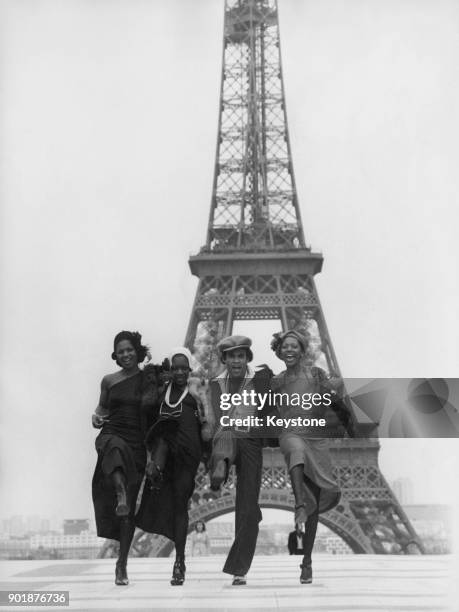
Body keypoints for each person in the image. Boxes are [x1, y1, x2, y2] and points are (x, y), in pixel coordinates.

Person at [271, 330, 341, 584]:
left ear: (301, 350)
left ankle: (307, 561)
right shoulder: (276, 381)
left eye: (294, 346)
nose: (289, 350)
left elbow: (330, 402)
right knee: (294, 447)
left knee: (314, 507)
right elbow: (273, 411)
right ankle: (299, 503)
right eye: (285, 346)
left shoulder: (316, 375)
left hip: (315, 439)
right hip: (291, 433)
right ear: (279, 351)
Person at [136, 347, 208, 586]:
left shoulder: (197, 391)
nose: (179, 371)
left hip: (187, 453)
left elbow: (209, 419)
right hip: (165, 449)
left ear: (189, 369)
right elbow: (145, 412)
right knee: (159, 454)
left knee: (181, 505)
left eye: (183, 368)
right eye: (175, 367)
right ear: (170, 369)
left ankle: (179, 560)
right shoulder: (161, 392)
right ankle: (154, 474)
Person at [209, 335, 272, 586]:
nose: (236, 360)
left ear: (247, 358)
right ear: (224, 359)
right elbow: (214, 416)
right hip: (227, 435)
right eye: (231, 356)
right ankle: (221, 463)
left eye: (241, 355)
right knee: (224, 434)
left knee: (248, 507)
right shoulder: (215, 383)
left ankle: (239, 569)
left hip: (250, 440)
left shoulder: (260, 378)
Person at [91, 330, 152, 586]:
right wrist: (95, 418)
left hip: (137, 441)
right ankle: (120, 492)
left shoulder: (149, 378)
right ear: (116, 354)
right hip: (112, 432)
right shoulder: (108, 380)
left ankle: (121, 565)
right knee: (112, 447)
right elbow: (101, 410)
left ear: (137, 351)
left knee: (128, 516)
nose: (126, 354)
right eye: (121, 350)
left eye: (129, 349)